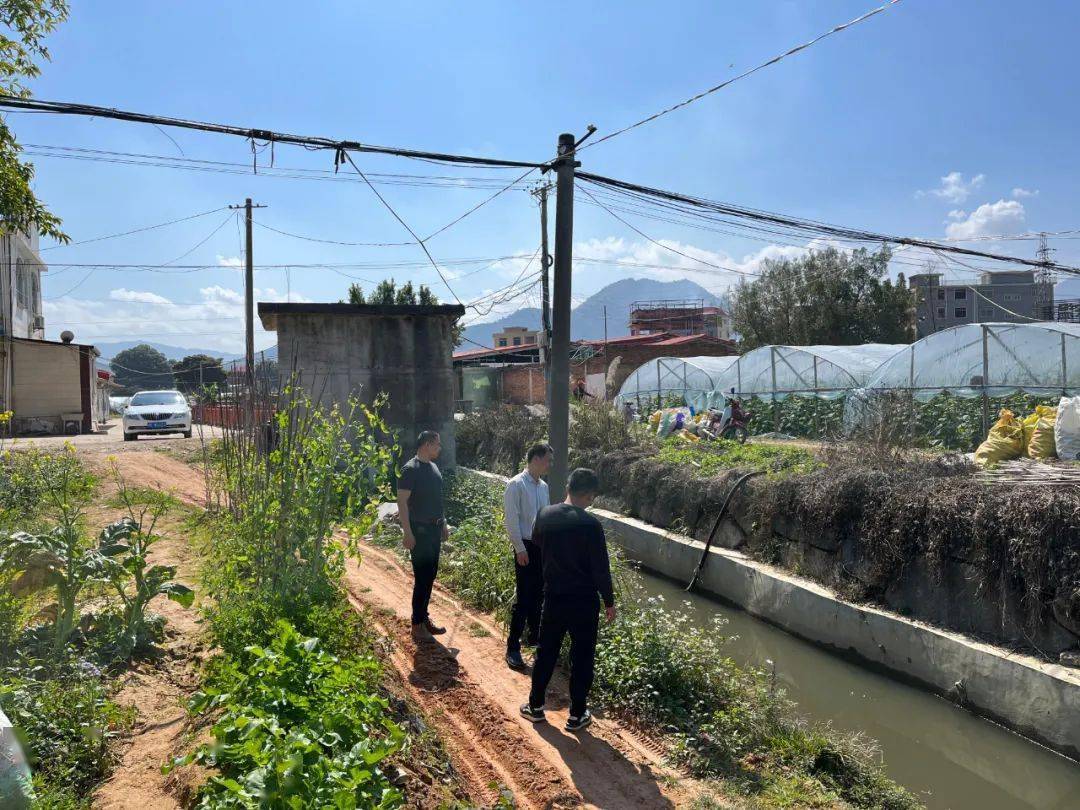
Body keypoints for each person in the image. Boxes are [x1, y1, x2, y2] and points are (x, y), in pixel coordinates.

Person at [520, 468, 615, 733]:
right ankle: (576, 715)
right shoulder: (590, 525)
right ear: (588, 494)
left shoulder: (546, 515)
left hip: (554, 597)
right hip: (584, 602)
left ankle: (535, 707)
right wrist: (609, 601)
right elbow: (600, 570)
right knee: (582, 656)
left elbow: (538, 546)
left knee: (546, 651)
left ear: (568, 487)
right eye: (592, 496)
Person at [503, 443, 552, 670]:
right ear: (536, 459)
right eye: (547, 460)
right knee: (524, 598)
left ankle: (534, 637)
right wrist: (519, 548)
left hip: (542, 547)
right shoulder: (516, 485)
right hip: (525, 547)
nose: (549, 464)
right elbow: (511, 520)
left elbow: (546, 518)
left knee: (540, 594)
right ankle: (513, 647)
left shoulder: (543, 487)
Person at [397, 430, 449, 642]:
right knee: (422, 577)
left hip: (435, 530)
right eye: (437, 444)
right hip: (419, 531)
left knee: (431, 575)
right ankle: (417, 624)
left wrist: (443, 523)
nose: (439, 448)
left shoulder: (434, 468)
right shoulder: (410, 469)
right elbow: (402, 503)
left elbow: (438, 499)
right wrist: (407, 533)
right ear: (427, 444)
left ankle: (423, 617)